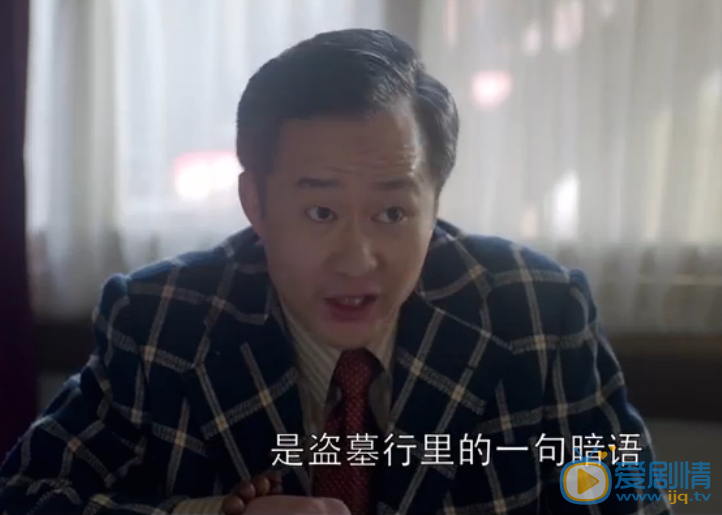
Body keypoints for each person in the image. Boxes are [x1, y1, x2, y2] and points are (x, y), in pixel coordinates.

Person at [0, 28, 671, 515]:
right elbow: (27, 495)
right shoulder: (160, 321)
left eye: (392, 212)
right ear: (255, 202)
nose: (357, 259)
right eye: (320, 211)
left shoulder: (540, 315)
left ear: (435, 202)